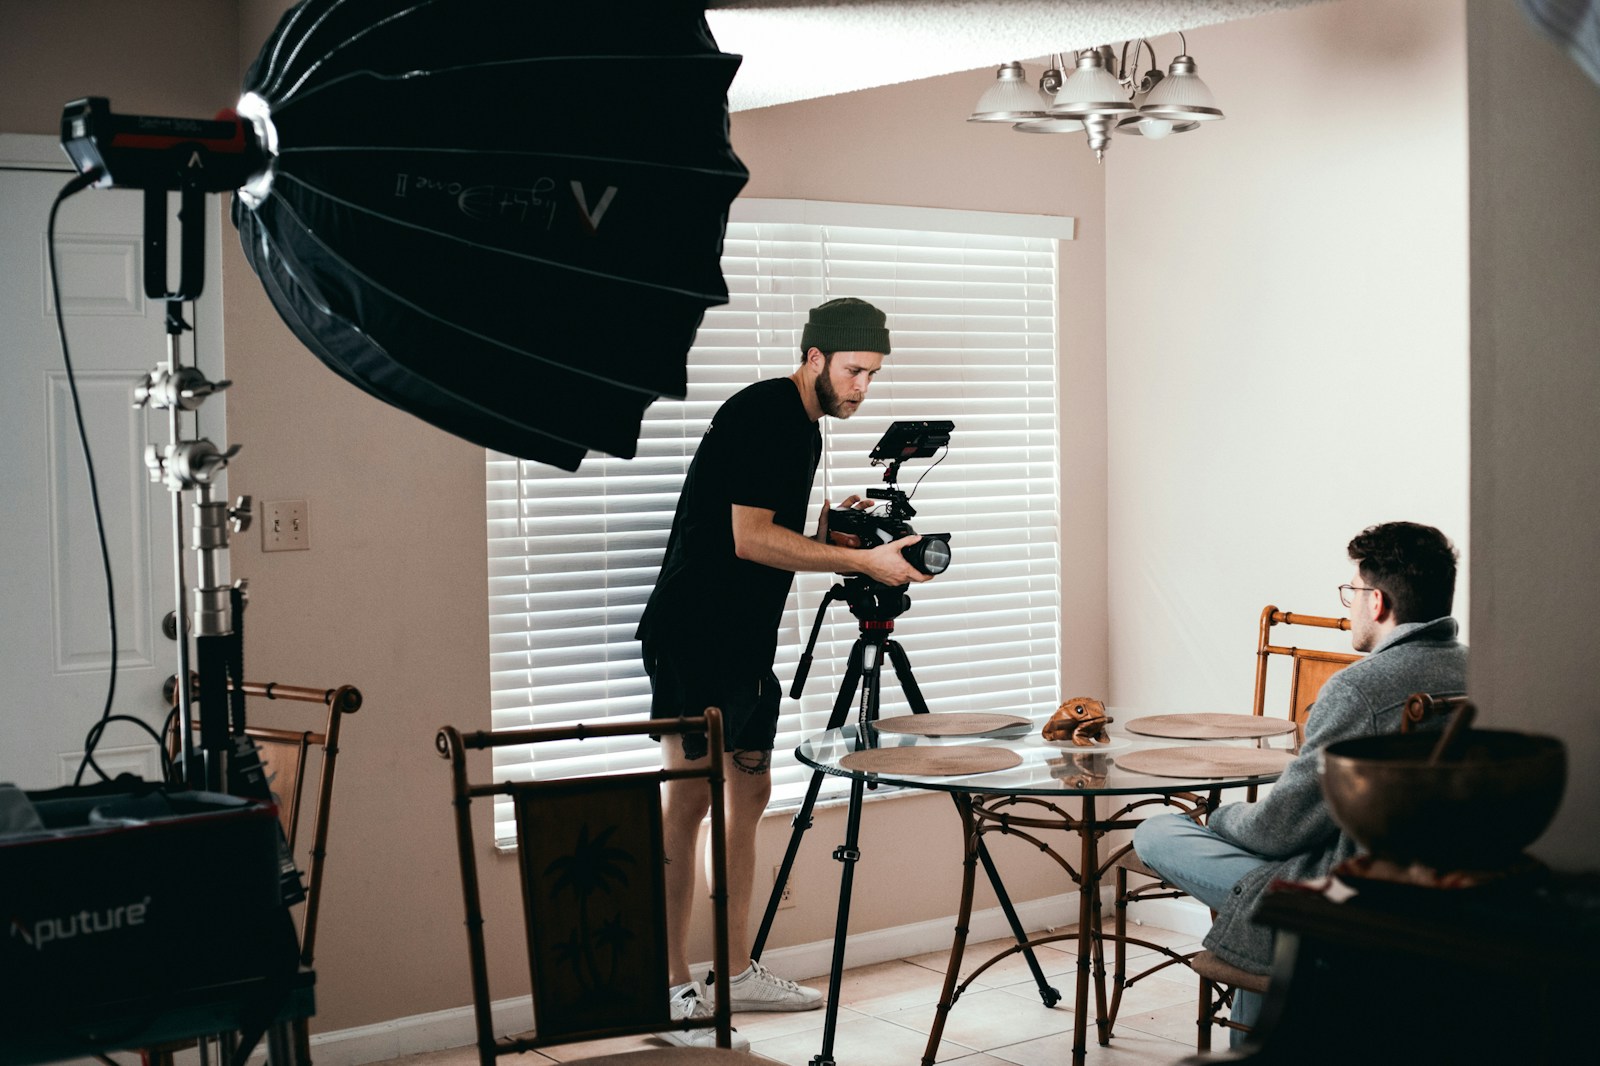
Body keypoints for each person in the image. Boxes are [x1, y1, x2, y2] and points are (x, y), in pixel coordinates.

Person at [635, 297, 933, 1049]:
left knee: (749, 793)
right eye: (855, 370)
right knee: (687, 803)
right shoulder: (768, 412)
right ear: (814, 357)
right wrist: (862, 561)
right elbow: (747, 539)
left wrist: (835, 534)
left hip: (741, 642)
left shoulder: (799, 424)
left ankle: (733, 971)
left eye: (873, 374)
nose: (863, 387)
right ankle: (667, 987)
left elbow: (764, 528)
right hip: (695, 635)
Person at [1132, 521, 1467, 1044]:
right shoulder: (1481, 671)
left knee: (1157, 831)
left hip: (1344, 891)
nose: (1349, 607)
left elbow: (1278, 830)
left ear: (1377, 602)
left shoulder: (1361, 688)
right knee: (1264, 904)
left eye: (1352, 592)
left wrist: (1217, 817)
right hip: (1437, 884)